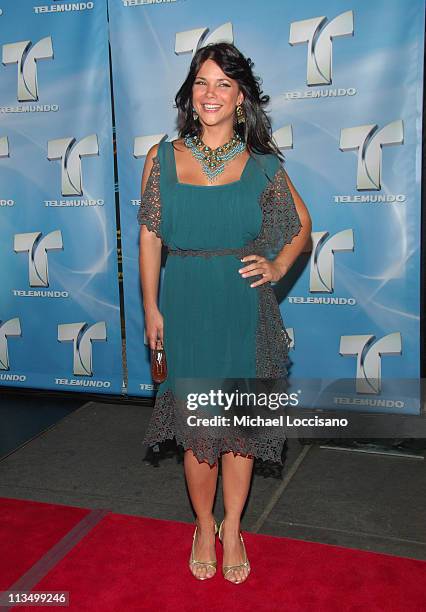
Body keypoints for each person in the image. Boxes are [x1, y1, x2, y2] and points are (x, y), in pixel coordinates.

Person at [137, 42, 311, 584]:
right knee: (199, 433)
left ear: (241, 98)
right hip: (185, 305)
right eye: (201, 83)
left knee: (238, 428)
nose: (210, 94)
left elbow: (302, 227)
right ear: (190, 93)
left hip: (244, 309)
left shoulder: (262, 165)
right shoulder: (161, 157)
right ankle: (203, 523)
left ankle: (233, 526)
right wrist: (150, 308)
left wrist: (279, 266)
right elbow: (148, 238)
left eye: (223, 85)